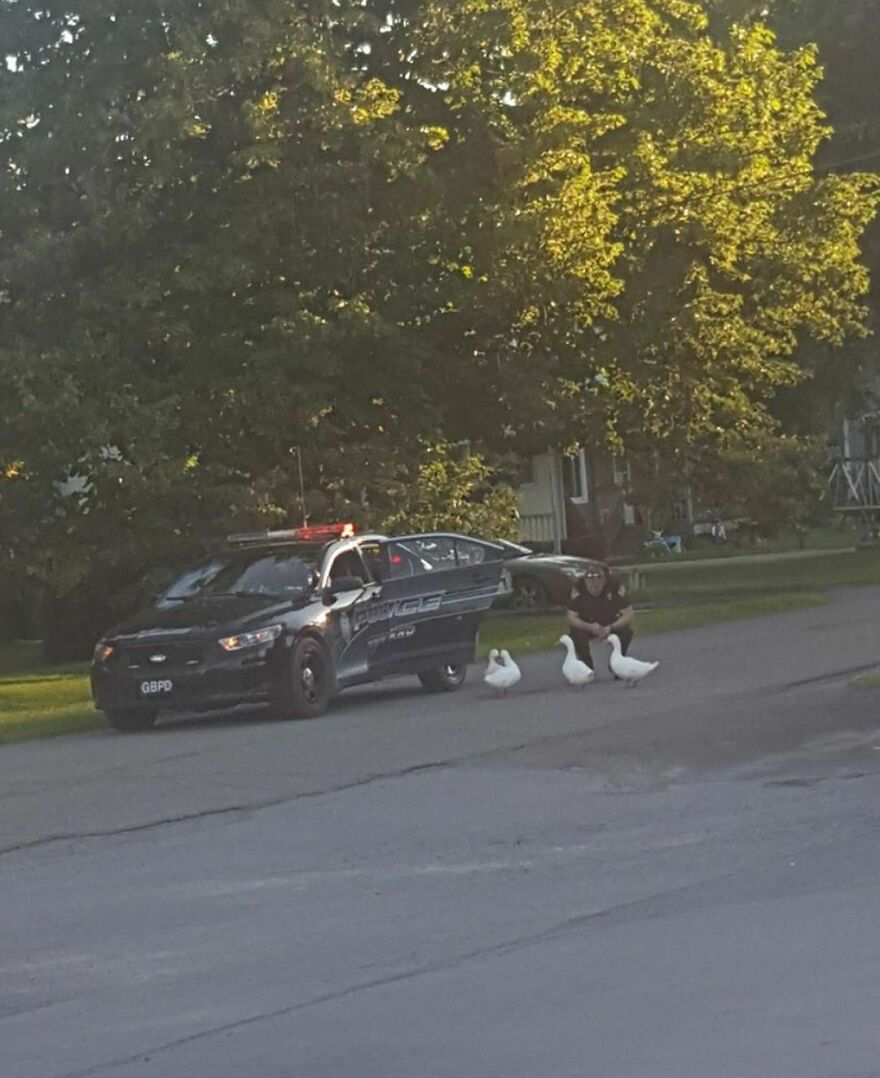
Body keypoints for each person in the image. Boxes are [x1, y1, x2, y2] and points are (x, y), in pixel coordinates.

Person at [566, 563, 635, 673]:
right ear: (585, 581)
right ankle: (586, 668)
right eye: (590, 580)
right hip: (588, 623)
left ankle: (618, 665)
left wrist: (611, 627)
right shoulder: (579, 591)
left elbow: (628, 614)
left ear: (604, 580)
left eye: (599, 578)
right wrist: (589, 627)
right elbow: (571, 617)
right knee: (576, 634)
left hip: (610, 622)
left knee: (626, 631)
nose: (595, 583)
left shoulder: (614, 589)